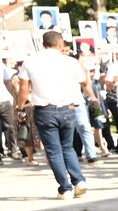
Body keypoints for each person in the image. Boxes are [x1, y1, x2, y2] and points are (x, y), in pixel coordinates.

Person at [15, 31, 96, 199]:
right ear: (60, 44)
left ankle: (65, 188)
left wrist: (20, 108)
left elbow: (24, 89)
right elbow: (84, 82)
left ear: (44, 44)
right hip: (68, 108)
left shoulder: (30, 61)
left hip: (45, 110)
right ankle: (79, 180)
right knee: (68, 147)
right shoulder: (71, 62)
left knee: (53, 151)